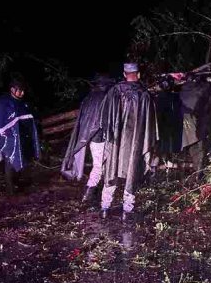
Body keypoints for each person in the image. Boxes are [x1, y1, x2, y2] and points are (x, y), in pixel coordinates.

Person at [100, 62, 158, 221]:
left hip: (116, 141)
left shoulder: (114, 92)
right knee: (132, 171)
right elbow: (150, 125)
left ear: (125, 74)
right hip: (135, 142)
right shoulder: (144, 95)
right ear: (138, 74)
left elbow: (104, 117)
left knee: (112, 169)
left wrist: (109, 134)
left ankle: (105, 207)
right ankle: (127, 210)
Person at [0, 77, 40, 194]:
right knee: (9, 161)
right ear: (12, 89)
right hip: (6, 138)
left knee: (20, 159)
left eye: (23, 90)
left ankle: (17, 183)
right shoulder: (3, 101)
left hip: (19, 137)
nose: (22, 93)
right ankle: (10, 189)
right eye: (20, 90)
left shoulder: (22, 104)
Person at [61, 74, 115, 203]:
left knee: (99, 166)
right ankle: (89, 194)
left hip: (92, 138)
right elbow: (105, 121)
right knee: (99, 167)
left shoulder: (89, 97)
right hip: (100, 137)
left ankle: (91, 194)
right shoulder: (105, 98)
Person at [180, 73, 211, 173]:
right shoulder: (199, 90)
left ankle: (197, 170)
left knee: (193, 148)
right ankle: (199, 172)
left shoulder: (183, 90)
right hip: (197, 123)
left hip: (186, 126)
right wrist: (210, 80)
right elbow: (209, 89)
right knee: (200, 148)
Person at [154, 75, 183, 168]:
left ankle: (166, 160)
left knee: (165, 143)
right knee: (165, 143)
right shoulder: (173, 97)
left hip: (166, 124)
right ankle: (165, 160)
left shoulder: (162, 98)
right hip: (166, 124)